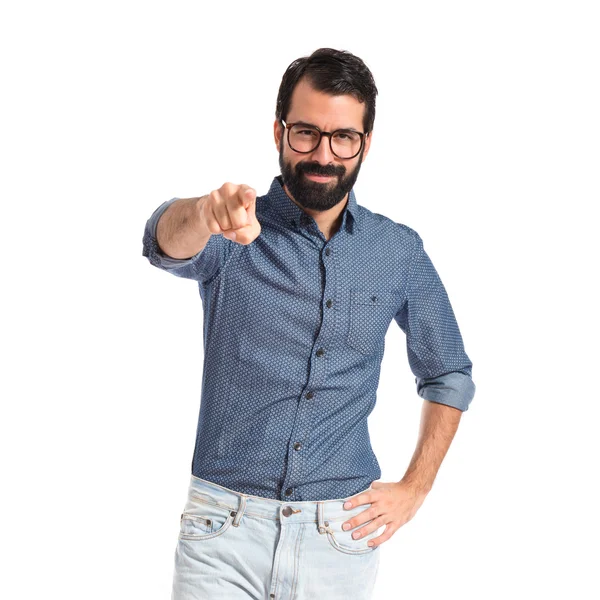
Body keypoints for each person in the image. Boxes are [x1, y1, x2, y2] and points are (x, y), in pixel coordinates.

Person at [142, 47, 475, 600]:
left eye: (343, 137)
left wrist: (416, 489)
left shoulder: (396, 252)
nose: (324, 154)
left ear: (364, 143)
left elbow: (450, 374)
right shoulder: (232, 230)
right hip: (223, 530)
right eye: (306, 133)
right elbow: (162, 243)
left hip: (339, 538)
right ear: (278, 131)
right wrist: (203, 211)